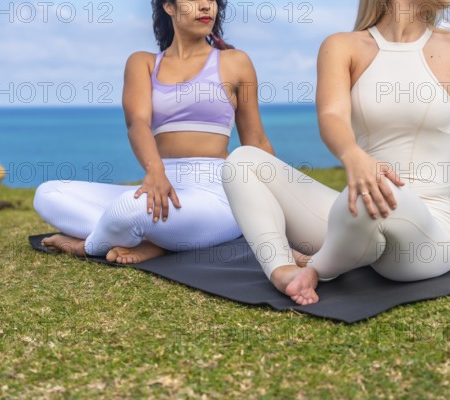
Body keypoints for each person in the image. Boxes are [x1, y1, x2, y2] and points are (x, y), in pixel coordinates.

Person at [223, 0, 450, 305]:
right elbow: (331, 115)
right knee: (241, 162)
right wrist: (353, 155)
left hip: (426, 236)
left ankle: (316, 268)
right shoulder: (342, 46)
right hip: (356, 211)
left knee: (379, 188)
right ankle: (282, 270)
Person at [34, 0, 273, 264]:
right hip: (160, 186)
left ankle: (88, 246)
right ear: (168, 7)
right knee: (48, 193)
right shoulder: (144, 63)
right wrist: (155, 170)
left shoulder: (235, 62)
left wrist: (281, 203)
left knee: (129, 210)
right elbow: (137, 123)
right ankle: (153, 240)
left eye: (212, 0)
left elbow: (257, 141)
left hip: (217, 195)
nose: (206, 6)